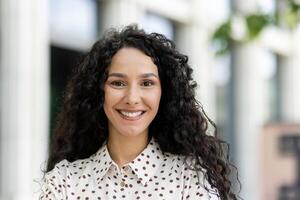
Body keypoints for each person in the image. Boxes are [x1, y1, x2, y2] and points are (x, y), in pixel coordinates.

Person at [40, 24, 239, 200]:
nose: (132, 98)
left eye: (147, 83)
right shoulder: (64, 182)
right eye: (118, 83)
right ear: (98, 91)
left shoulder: (191, 178)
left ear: (164, 92)